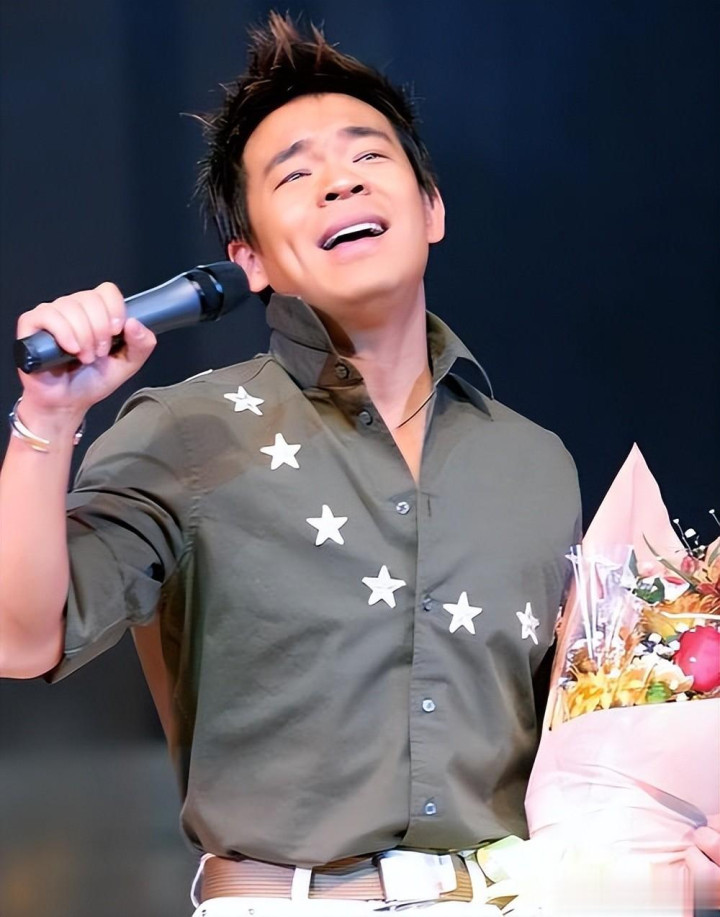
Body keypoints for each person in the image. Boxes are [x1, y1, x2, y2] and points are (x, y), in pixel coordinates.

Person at [0, 12, 716, 916]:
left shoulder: (533, 462)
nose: (340, 181)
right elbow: (18, 638)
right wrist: (49, 417)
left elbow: (579, 747)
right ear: (249, 259)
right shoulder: (187, 430)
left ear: (432, 209)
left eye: (368, 156)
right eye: (294, 175)